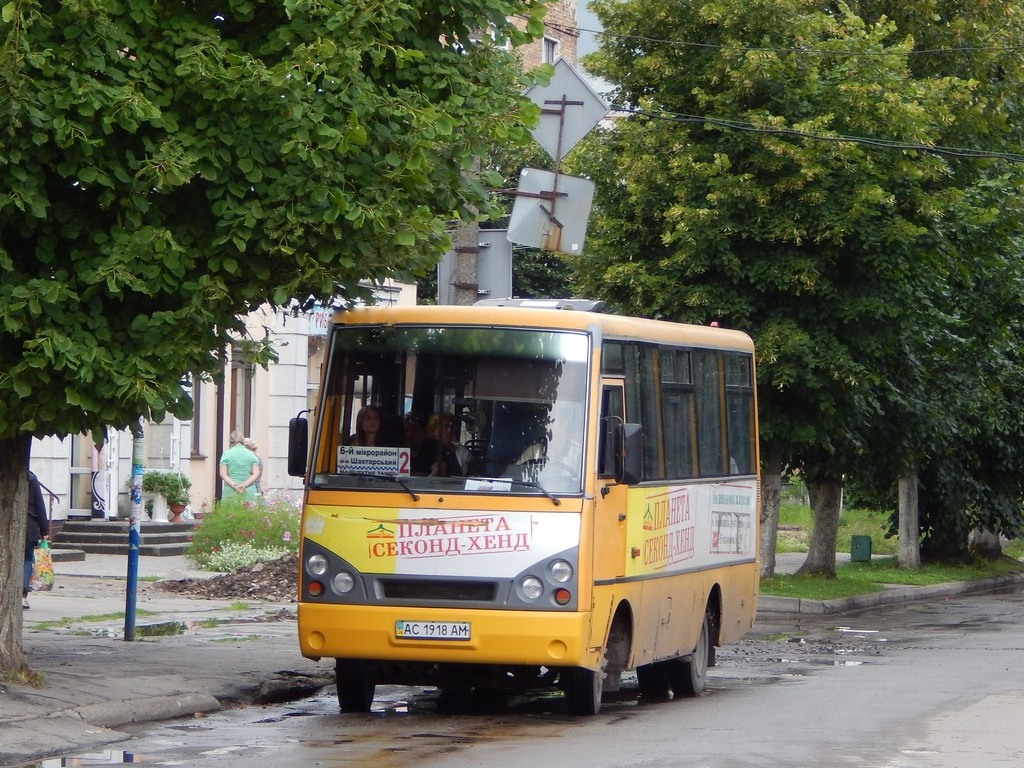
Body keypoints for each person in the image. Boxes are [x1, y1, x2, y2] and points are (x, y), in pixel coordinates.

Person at [24, 470, 49, 610]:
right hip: (30, 526)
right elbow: (40, 505)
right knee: (26, 559)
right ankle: (22, 593)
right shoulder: (32, 479)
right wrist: (44, 530)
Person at [427, 412, 471, 477]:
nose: (450, 430)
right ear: (434, 431)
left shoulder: (462, 452)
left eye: (451, 427)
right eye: (445, 427)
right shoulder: (426, 452)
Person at [219, 431, 259, 499]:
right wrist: (244, 485)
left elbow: (223, 474)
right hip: (248, 491)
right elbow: (256, 474)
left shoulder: (226, 454)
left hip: (230, 491)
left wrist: (234, 485)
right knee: (248, 508)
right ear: (242, 440)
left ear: (230, 441)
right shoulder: (251, 454)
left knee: (229, 509)